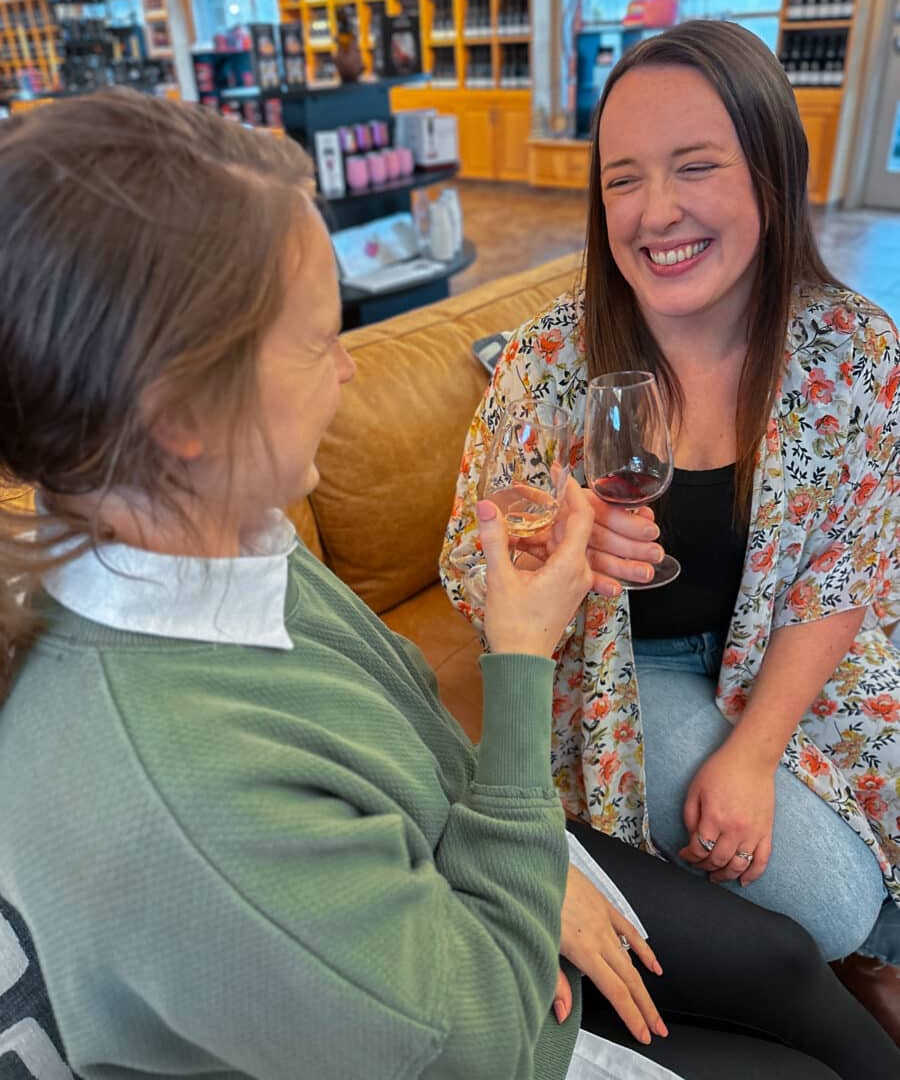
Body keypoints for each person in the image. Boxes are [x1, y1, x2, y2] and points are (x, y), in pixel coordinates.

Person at [0, 90, 896, 1080]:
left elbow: (414, 745)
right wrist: (519, 660)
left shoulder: (231, 539)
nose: (347, 370)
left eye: (697, 166)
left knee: (780, 956)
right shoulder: (184, 791)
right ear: (180, 414)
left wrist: (528, 858)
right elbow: (478, 1041)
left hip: (486, 869)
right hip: (490, 1006)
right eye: (315, 338)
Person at [442, 19, 900, 1039]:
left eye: (696, 167)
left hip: (787, 658)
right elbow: (470, 565)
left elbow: (846, 573)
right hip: (623, 682)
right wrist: (558, 561)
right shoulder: (548, 362)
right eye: (622, 180)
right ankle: (865, 964)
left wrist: (754, 752)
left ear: (772, 179)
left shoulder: (855, 353)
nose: (656, 214)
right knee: (830, 899)